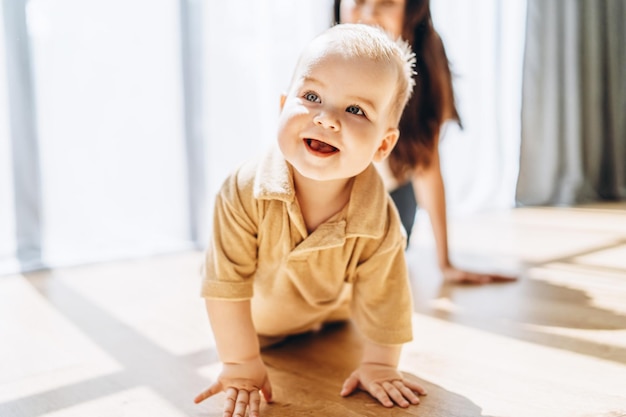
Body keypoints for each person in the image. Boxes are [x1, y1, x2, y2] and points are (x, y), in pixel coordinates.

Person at [194, 23, 426, 417]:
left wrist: (380, 364)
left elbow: (387, 296)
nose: (326, 118)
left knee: (350, 308)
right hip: (257, 325)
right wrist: (240, 364)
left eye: (355, 110)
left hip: (329, 316)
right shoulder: (245, 189)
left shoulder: (378, 217)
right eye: (312, 96)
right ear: (284, 104)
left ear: (383, 145)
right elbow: (225, 283)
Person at [334, 0, 516, 284]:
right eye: (358, 1)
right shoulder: (325, 57)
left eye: (386, 3)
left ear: (412, 10)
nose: (369, 13)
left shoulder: (427, 57)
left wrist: (445, 263)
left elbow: (426, 163)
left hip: (390, 197)